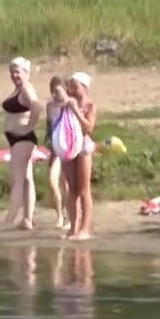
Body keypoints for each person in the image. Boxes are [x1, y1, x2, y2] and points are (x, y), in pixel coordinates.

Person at [2, 57, 42, 230]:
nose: (14, 75)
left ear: (26, 72)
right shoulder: (19, 88)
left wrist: (28, 127)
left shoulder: (26, 88)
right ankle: (27, 219)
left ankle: (9, 220)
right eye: (12, 72)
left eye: (17, 72)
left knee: (17, 180)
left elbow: (36, 106)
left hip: (22, 139)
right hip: (18, 139)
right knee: (26, 179)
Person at [62, 72, 98, 241]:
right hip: (69, 146)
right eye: (71, 87)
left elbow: (88, 128)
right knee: (72, 189)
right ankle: (73, 228)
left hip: (83, 146)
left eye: (75, 87)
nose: (72, 90)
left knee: (84, 190)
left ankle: (85, 229)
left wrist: (76, 110)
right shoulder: (66, 104)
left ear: (85, 88)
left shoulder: (90, 106)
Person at [44, 76, 71, 230]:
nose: (55, 95)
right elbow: (49, 128)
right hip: (55, 148)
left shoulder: (70, 105)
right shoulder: (50, 106)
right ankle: (60, 215)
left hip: (67, 148)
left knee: (65, 183)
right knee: (52, 181)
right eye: (53, 91)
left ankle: (69, 217)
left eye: (58, 91)